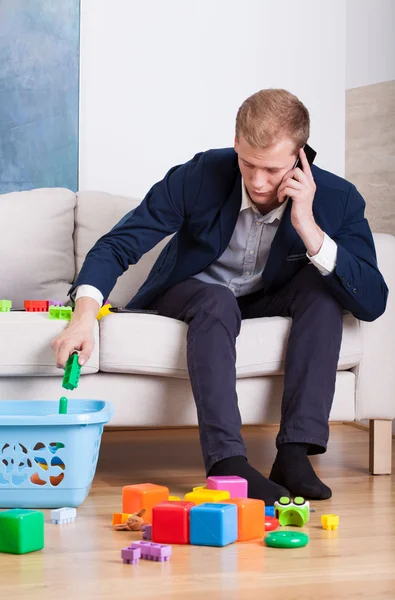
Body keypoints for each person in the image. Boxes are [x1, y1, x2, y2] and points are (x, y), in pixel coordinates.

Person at [51, 89, 388, 504]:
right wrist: (83, 315)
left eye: (273, 169)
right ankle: (227, 462)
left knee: (323, 292)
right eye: (248, 164)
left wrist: (310, 231)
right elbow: (118, 245)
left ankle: (295, 454)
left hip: (268, 298)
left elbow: (372, 302)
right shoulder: (200, 174)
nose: (259, 181)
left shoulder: (338, 199)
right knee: (217, 300)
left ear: (301, 157)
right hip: (191, 294)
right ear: (235, 145)